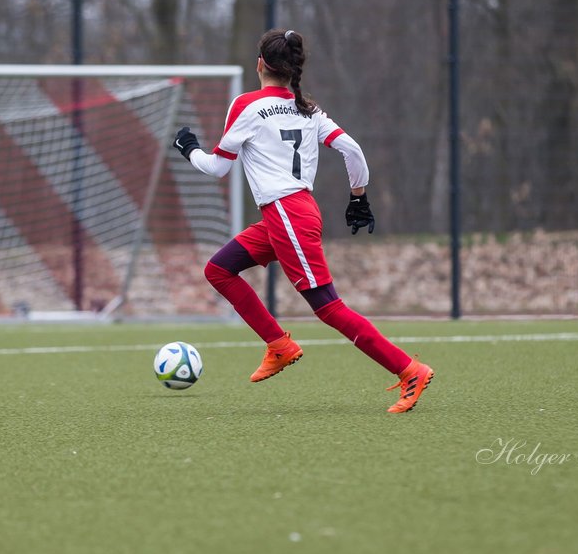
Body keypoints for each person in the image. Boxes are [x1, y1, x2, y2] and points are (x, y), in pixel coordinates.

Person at [173, 29, 435, 413]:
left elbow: (217, 169)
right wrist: (358, 197)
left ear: (260, 64)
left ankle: (409, 369)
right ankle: (279, 345)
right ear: (293, 68)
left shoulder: (247, 104)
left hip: (286, 214)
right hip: (293, 212)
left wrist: (189, 149)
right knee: (219, 269)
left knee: (328, 307)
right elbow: (351, 149)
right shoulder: (307, 109)